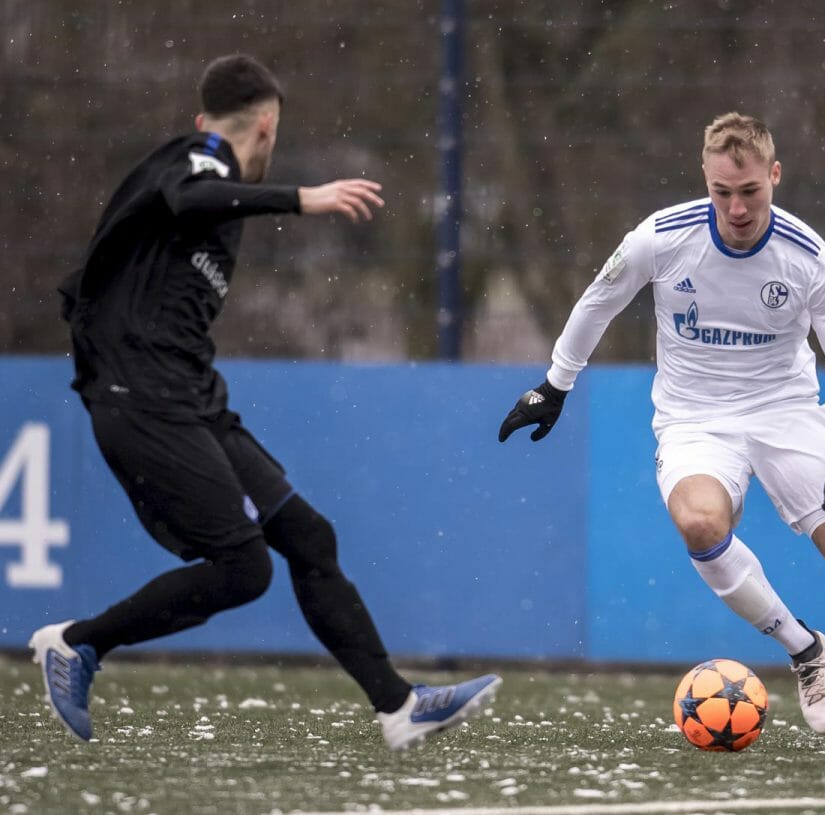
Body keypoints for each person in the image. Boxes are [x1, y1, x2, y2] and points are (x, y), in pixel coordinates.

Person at [31, 54, 499, 751]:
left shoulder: (193, 175)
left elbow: (122, 256)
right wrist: (300, 198)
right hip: (142, 396)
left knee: (309, 536)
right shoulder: (203, 162)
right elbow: (190, 195)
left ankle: (399, 707)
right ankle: (77, 642)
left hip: (189, 396)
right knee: (243, 568)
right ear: (268, 126)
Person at [498, 112, 825, 752]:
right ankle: (804, 648)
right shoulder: (659, 239)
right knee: (698, 524)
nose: (737, 208)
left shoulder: (809, 258)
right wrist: (554, 385)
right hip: (695, 417)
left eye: (751, 191)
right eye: (723, 192)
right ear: (706, 180)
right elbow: (596, 303)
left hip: (788, 412)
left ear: (774, 176)